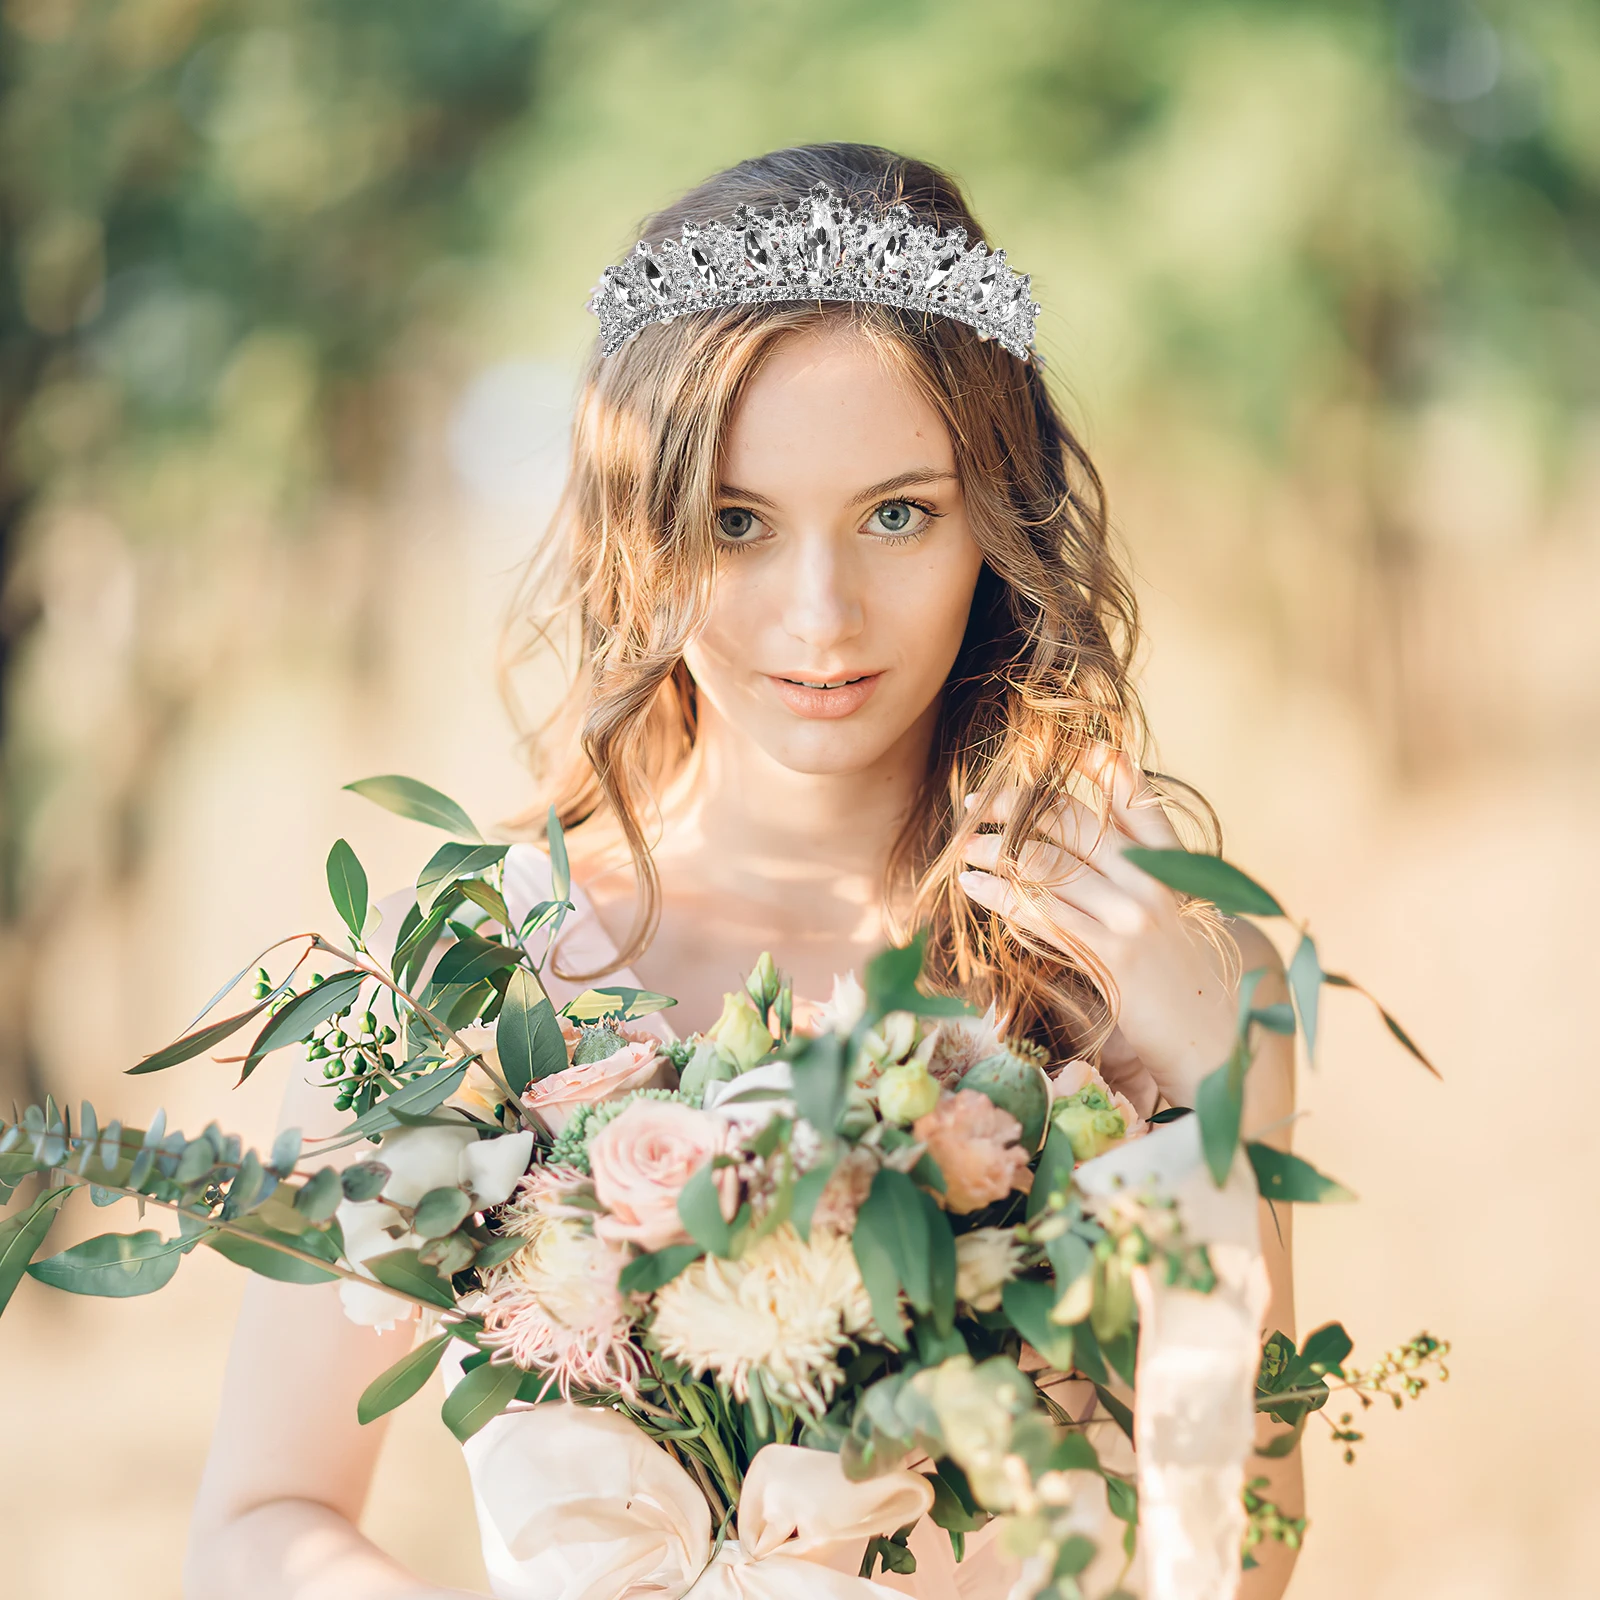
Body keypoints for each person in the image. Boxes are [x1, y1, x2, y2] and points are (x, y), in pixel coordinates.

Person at [185, 143, 1300, 1600]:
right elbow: (262, 1514)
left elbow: (1243, 1560)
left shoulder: (1152, 981)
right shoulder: (449, 990)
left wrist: (1213, 1094)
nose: (820, 616)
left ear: (998, 523)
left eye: (898, 513)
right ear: (639, 534)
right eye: (736, 522)